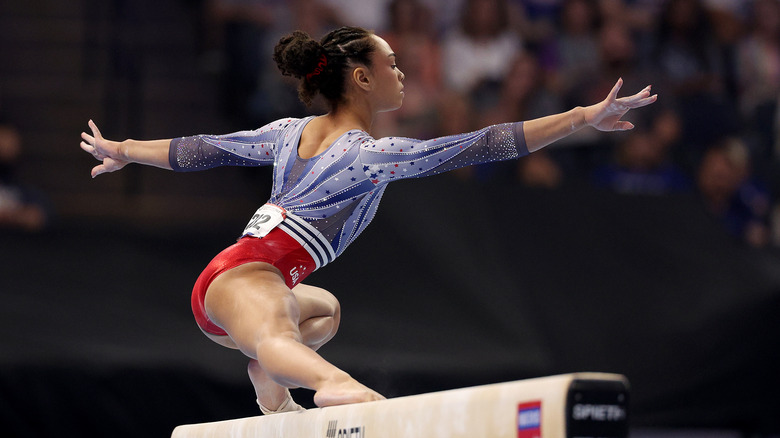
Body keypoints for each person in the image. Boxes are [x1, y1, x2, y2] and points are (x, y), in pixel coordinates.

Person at [80, 26, 656, 414]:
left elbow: (201, 148)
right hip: (247, 277)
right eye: (393, 64)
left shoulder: (288, 133)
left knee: (326, 312)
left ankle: (268, 377)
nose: (402, 74)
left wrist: (127, 148)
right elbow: (485, 144)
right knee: (285, 333)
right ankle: (328, 382)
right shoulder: (368, 155)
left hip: (253, 281)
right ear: (360, 77)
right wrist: (583, 116)